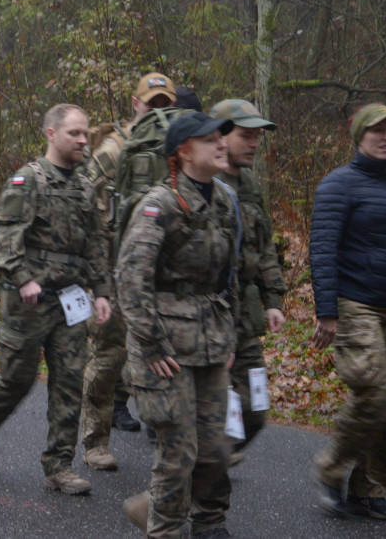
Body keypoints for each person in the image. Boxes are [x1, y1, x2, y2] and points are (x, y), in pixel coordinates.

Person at [0, 103, 112, 496]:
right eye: (74, 133)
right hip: (27, 302)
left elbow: (96, 243)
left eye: (85, 133)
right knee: (17, 380)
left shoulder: (85, 185)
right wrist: (23, 279)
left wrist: (103, 291)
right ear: (50, 134)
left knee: (69, 382)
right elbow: (6, 240)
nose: (83, 140)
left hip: (70, 301)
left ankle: (59, 466)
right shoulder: (28, 181)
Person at [116, 111, 238, 538]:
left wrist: (230, 335)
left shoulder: (223, 200)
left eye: (223, 138)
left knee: (217, 448)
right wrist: (150, 346)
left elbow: (228, 276)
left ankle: (209, 523)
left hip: (210, 341)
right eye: (211, 140)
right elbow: (131, 279)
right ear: (184, 152)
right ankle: (164, 530)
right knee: (179, 451)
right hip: (164, 347)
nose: (222, 144)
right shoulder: (159, 204)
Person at [310, 103, 386, 522]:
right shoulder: (338, 185)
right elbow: (323, 250)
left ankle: (368, 489)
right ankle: (330, 467)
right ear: (360, 138)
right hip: (355, 303)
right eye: (377, 131)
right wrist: (327, 311)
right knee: (375, 391)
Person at [81, 72, 177, 471]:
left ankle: (180, 450)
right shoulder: (115, 149)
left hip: (165, 277)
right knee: (108, 358)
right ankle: (94, 442)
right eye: (149, 102)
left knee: (171, 359)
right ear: (134, 104)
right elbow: (84, 200)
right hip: (114, 270)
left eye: (163, 103)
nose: (156, 110)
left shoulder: (182, 147)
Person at [210, 99, 286, 468]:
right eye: (246, 135)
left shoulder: (250, 182)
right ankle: (185, 489)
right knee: (208, 414)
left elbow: (265, 245)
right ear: (221, 136)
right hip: (211, 317)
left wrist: (274, 299)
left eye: (258, 136)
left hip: (246, 315)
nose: (254, 143)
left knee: (256, 408)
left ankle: (209, 466)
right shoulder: (201, 181)